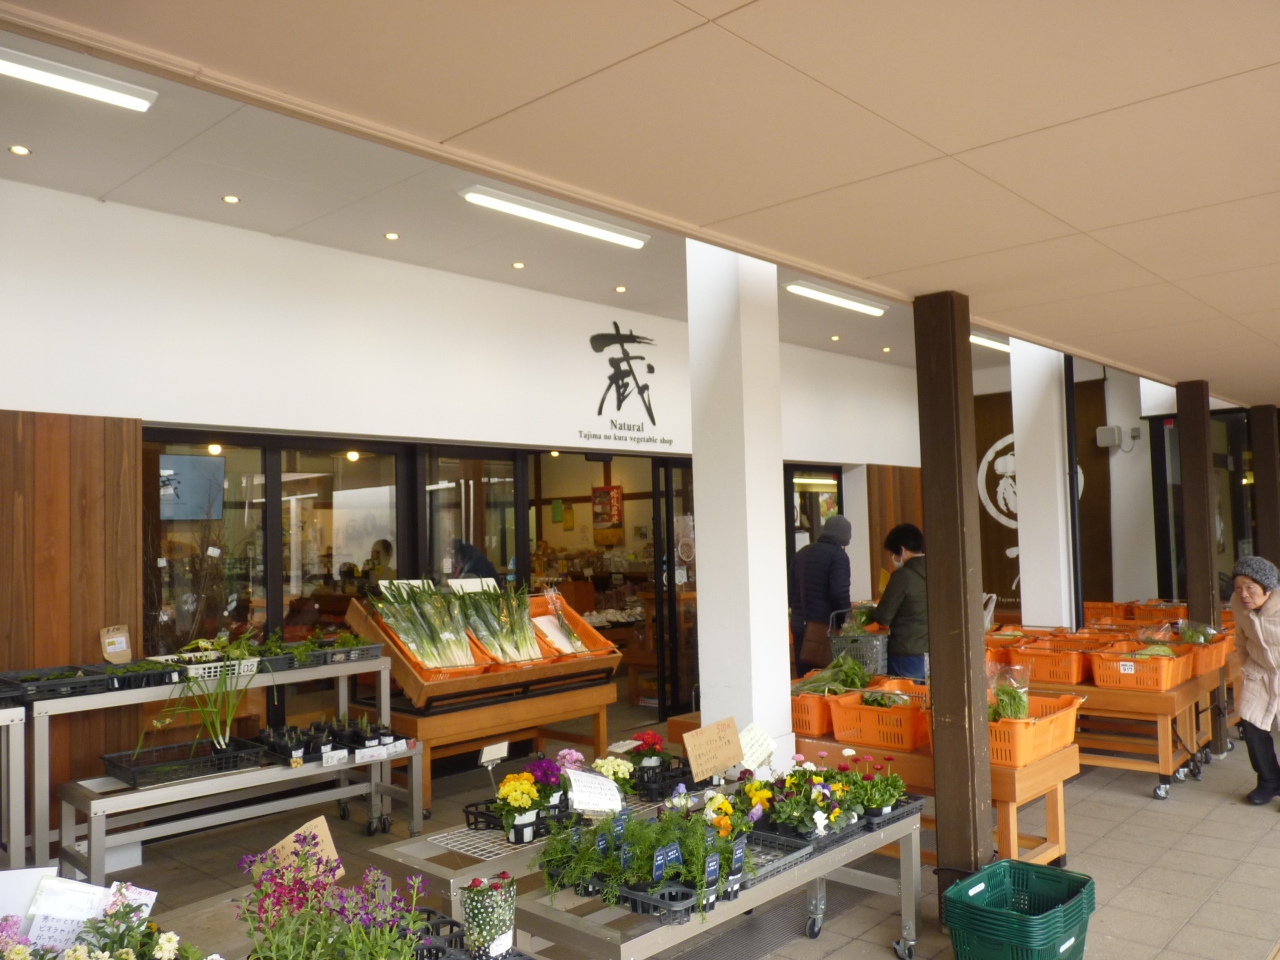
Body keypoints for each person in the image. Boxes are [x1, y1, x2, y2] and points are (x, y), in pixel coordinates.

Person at [1230, 555, 1280, 805]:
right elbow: (1241, 641)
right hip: (1259, 672)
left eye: (1250, 587)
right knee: (1251, 725)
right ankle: (1269, 781)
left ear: (1267, 588)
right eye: (1238, 587)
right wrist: (1246, 668)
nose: (1243, 594)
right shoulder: (1238, 605)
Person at [788, 515, 852, 671]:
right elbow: (839, 593)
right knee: (827, 679)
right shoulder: (838, 556)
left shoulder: (801, 554)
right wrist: (847, 621)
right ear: (845, 540)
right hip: (824, 631)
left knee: (805, 679)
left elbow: (789, 592)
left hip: (800, 627)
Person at [873, 523, 928, 679]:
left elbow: (883, 617)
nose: (893, 558)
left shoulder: (902, 576)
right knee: (923, 694)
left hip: (905, 653)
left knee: (903, 694)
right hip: (930, 652)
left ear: (902, 550)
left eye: (892, 553)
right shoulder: (934, 571)